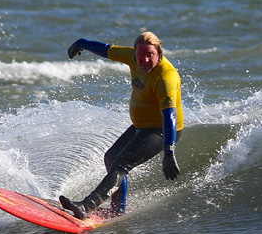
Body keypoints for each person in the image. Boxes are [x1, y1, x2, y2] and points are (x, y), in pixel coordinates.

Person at [60, 31, 183, 220]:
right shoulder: (133, 57)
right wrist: (81, 43)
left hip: (163, 130)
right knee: (111, 158)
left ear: (159, 53)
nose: (144, 60)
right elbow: (107, 50)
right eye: (140, 55)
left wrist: (169, 151)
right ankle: (118, 210)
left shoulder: (166, 78)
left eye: (150, 54)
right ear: (134, 53)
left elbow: (170, 116)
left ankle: (86, 206)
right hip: (142, 125)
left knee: (120, 165)